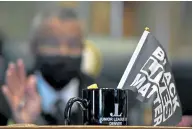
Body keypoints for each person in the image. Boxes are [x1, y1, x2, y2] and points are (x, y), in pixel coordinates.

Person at [0, 7, 114, 125]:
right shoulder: (7, 101)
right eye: (52, 43)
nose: (64, 52)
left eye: (73, 44)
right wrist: (22, 124)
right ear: (34, 47)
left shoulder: (107, 100)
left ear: (83, 48)